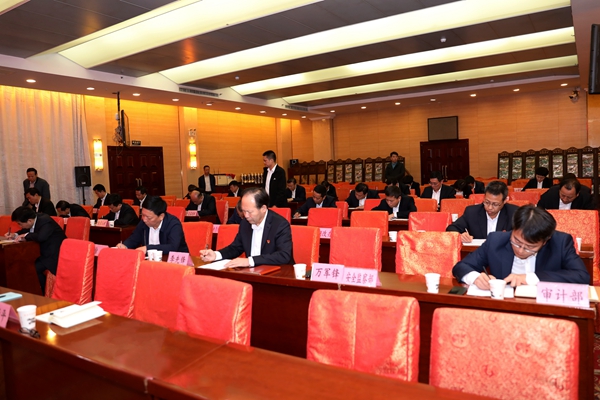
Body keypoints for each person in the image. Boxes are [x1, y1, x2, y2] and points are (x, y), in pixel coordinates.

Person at [452, 205, 589, 289]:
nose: (520, 250)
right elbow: (461, 266)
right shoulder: (496, 240)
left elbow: (582, 276)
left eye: (530, 247)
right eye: (516, 241)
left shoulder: (560, 242)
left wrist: (530, 278)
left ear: (545, 241)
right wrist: (474, 277)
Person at [200, 187, 294, 267]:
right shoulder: (245, 223)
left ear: (263, 208)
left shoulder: (280, 224)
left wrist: (250, 261)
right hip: (252, 272)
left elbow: (283, 255)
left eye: (249, 212)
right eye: (244, 211)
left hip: (278, 273)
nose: (246, 216)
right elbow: (236, 247)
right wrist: (216, 255)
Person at [6, 206, 65, 293]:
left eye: (20, 224)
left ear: (29, 220)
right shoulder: (34, 219)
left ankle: (42, 292)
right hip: (41, 251)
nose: (19, 226)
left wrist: (25, 236)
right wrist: (15, 235)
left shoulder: (45, 221)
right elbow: (26, 230)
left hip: (55, 254)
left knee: (33, 268)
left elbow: (41, 237)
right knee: (22, 263)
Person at [446, 181, 518, 242]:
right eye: (487, 202)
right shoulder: (472, 212)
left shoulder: (514, 213)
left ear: (505, 201)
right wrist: (461, 236)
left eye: (495, 204)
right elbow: (451, 228)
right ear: (484, 197)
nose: (489, 207)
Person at [118, 196, 189, 254]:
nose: (144, 219)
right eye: (143, 215)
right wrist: (125, 246)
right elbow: (134, 239)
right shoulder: (144, 222)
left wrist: (148, 248)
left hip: (175, 261)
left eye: (148, 217)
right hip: (151, 261)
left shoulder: (173, 224)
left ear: (161, 216)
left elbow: (172, 247)